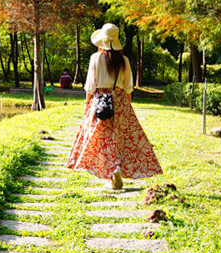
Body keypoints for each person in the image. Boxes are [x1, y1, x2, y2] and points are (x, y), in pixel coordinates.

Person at [66, 23, 162, 189]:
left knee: (101, 139)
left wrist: (87, 103)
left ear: (101, 42)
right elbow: (128, 87)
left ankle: (112, 173)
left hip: (100, 102)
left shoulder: (95, 58)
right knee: (118, 139)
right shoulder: (124, 60)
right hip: (120, 101)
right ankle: (115, 170)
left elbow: (90, 85)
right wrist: (127, 108)